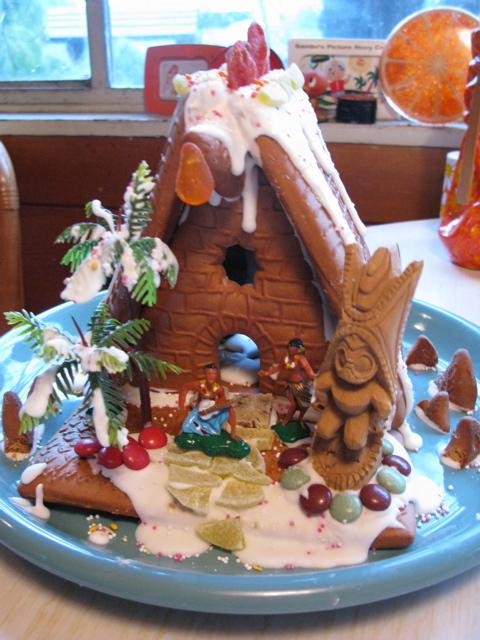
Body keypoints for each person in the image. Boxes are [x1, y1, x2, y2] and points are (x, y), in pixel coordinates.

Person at [259, 338, 316, 426]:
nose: (290, 348)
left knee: (304, 405)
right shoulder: (287, 358)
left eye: (293, 346)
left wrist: (317, 378)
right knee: (293, 404)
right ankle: (285, 422)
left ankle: (300, 420)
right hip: (290, 385)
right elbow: (279, 367)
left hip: (301, 385)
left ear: (298, 348)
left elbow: (310, 373)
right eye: (290, 345)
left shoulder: (301, 359)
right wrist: (267, 373)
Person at [178, 364, 237, 438]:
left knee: (231, 410)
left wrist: (220, 405)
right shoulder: (199, 384)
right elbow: (184, 388)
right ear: (205, 374)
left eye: (214, 373)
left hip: (211, 410)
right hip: (198, 411)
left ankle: (233, 433)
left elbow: (222, 400)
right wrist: (181, 405)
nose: (212, 376)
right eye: (209, 373)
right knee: (185, 427)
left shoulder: (219, 388)